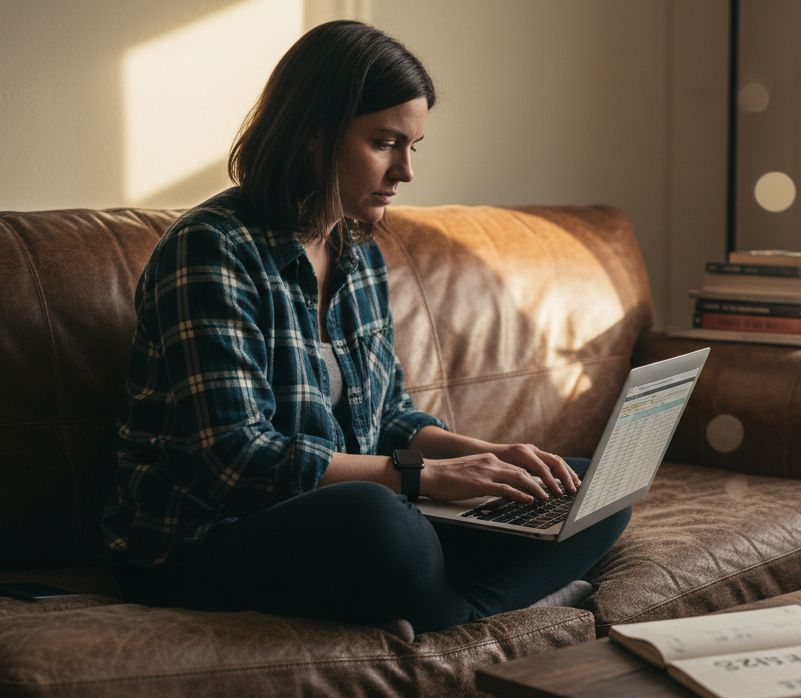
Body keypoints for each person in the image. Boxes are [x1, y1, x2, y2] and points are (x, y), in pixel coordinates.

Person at [102, 21, 629, 640]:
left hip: (350, 521)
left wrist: (483, 455)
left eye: (414, 146)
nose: (405, 171)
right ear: (312, 136)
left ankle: (441, 608)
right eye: (385, 143)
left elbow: (389, 418)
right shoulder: (212, 249)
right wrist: (420, 477)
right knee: (383, 519)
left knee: (592, 484)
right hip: (200, 542)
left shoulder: (357, 251)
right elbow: (234, 458)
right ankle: (472, 608)